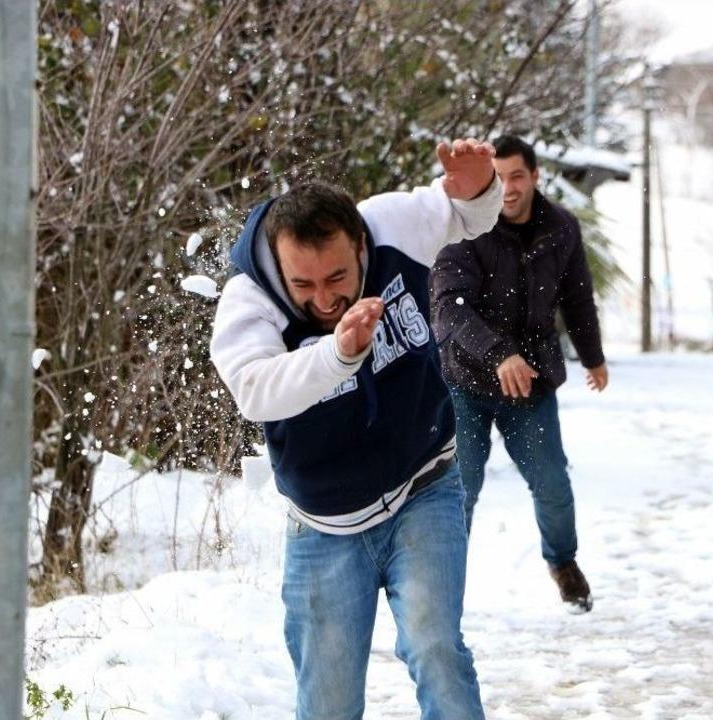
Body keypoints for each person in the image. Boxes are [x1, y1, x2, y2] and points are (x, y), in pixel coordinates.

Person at [210, 138, 501, 720]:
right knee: (329, 702)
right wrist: (337, 354)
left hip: (425, 486)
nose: (324, 298)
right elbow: (254, 390)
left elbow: (466, 212)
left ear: (361, 244)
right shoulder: (250, 299)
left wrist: (480, 186)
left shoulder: (390, 225)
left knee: (436, 649)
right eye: (304, 285)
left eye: (338, 277)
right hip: (325, 524)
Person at [430, 135, 608, 614]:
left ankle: (563, 563)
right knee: (460, 489)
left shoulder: (560, 228)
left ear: (534, 177)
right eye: (499, 177)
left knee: (552, 483)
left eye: (517, 177)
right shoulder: (462, 225)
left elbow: (577, 297)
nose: (507, 189)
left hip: (531, 381)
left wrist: (593, 357)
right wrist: (498, 355)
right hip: (465, 380)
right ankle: (443, 585)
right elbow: (449, 308)